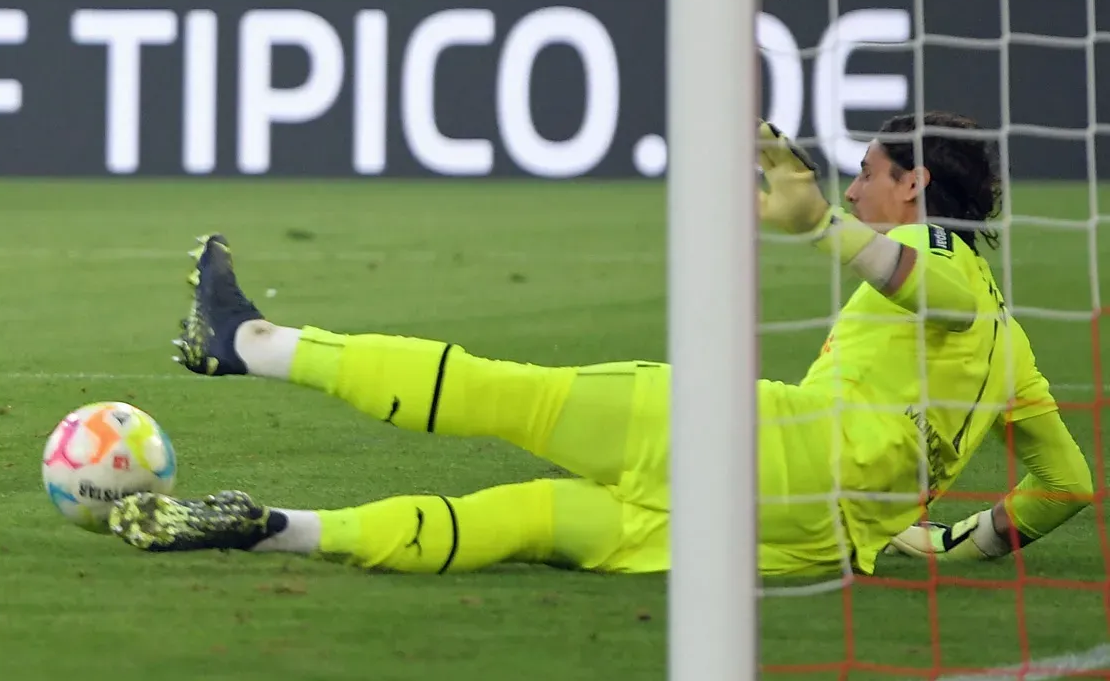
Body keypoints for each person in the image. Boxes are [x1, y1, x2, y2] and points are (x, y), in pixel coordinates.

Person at [111, 116, 1095, 579]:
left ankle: (245, 341)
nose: (856, 188)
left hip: (752, 446)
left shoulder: (936, 254)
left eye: (871, 175)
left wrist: (814, 231)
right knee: (528, 520)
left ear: (917, 187)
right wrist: (949, 540)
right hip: (799, 548)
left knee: (509, 396)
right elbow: (1067, 486)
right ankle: (276, 527)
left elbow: (935, 290)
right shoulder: (1018, 351)